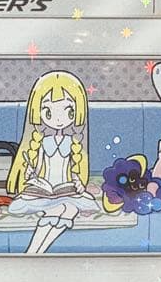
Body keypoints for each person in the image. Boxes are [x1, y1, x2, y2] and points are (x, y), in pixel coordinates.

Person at [7, 71, 99, 254]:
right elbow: (37, 167)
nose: (58, 119)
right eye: (48, 111)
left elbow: (73, 171)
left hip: (65, 189)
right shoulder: (41, 142)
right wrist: (30, 175)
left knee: (70, 209)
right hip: (42, 192)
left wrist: (78, 183)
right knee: (63, 208)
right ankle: (34, 252)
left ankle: (34, 252)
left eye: (68, 111)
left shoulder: (72, 142)